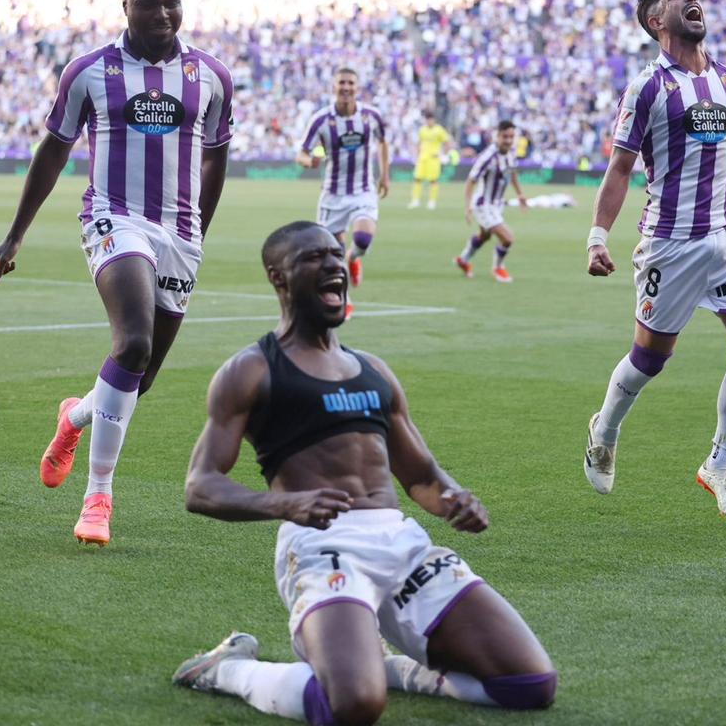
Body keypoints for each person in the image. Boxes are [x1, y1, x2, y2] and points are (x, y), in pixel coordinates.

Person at [172, 221, 556, 724]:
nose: (333, 264)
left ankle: (391, 669)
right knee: (352, 705)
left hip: (401, 543)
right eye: (314, 257)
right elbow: (200, 486)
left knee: (528, 684)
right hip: (322, 547)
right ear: (278, 277)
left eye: (336, 254)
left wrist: (455, 498)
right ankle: (228, 669)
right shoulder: (252, 370)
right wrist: (284, 504)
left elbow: (420, 476)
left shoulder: (373, 369)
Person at [0, 0, 233, 546]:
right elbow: (54, 149)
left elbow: (217, 153)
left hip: (180, 233)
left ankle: (73, 418)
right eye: (149, 1)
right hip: (113, 219)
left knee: (135, 379)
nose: (163, 12)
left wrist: (199, 227)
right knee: (135, 342)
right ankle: (99, 497)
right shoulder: (90, 71)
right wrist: (16, 233)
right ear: (124, 2)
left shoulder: (212, 75)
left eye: (172, 0)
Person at [583, 0, 726, 522]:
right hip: (671, 243)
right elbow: (620, 169)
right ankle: (604, 429)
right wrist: (598, 237)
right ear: (656, 21)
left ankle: (719, 464)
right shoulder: (647, 88)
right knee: (649, 359)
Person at [296, 68, 390, 317]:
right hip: (333, 195)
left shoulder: (372, 116)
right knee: (331, 257)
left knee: (363, 239)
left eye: (350, 83)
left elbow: (383, 142)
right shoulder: (321, 119)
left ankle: (356, 257)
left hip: (363, 190)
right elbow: (302, 153)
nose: (346, 87)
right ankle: (345, 298)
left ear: (357, 88)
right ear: (333, 86)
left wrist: (385, 175)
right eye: (342, 83)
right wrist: (310, 162)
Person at [454, 120, 528, 283]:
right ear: (497, 136)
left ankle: (463, 260)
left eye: (511, 136)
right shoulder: (488, 157)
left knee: (484, 237)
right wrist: (467, 207)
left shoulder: (511, 152)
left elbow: (513, 173)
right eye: (505, 137)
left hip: (497, 205)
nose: (508, 140)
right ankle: (498, 268)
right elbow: (471, 180)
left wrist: (520, 194)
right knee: (507, 238)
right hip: (483, 205)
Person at [408, 110, 454, 210]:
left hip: (434, 158)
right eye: (427, 119)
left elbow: (447, 142)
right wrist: (416, 155)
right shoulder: (422, 130)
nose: (429, 122)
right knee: (417, 178)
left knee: (433, 181)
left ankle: (432, 201)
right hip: (422, 158)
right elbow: (419, 143)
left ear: (434, 120)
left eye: (430, 119)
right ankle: (415, 200)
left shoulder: (439, 130)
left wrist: (445, 155)